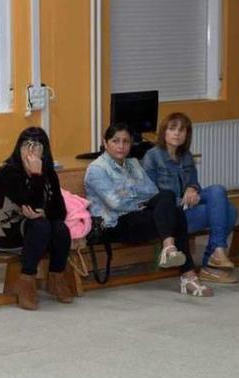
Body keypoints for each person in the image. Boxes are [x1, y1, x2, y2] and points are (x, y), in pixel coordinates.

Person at [85, 123, 213, 297]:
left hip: (137, 218)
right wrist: (142, 201)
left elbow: (151, 191)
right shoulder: (97, 170)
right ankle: (185, 272)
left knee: (170, 202)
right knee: (172, 209)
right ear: (105, 143)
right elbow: (116, 203)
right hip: (113, 225)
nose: (121, 146)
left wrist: (135, 197)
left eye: (126, 141)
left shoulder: (133, 164)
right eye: (115, 141)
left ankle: (172, 253)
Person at [0, 127, 73, 310]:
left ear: (44, 150)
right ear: (18, 148)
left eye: (37, 146)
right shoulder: (8, 173)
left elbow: (60, 211)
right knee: (40, 226)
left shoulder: (50, 174)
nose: (31, 151)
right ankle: (27, 281)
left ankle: (56, 278)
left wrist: (44, 212)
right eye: (26, 145)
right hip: (4, 230)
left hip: (34, 228)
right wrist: (36, 175)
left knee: (60, 228)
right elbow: (32, 204)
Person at [142, 112, 238, 284]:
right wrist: (181, 199)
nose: (177, 133)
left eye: (182, 130)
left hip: (189, 206)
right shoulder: (152, 156)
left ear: (187, 134)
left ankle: (216, 253)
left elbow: (194, 183)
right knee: (229, 211)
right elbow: (151, 193)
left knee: (218, 191)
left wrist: (193, 188)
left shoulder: (186, 156)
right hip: (173, 215)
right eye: (172, 129)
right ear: (164, 131)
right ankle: (211, 262)